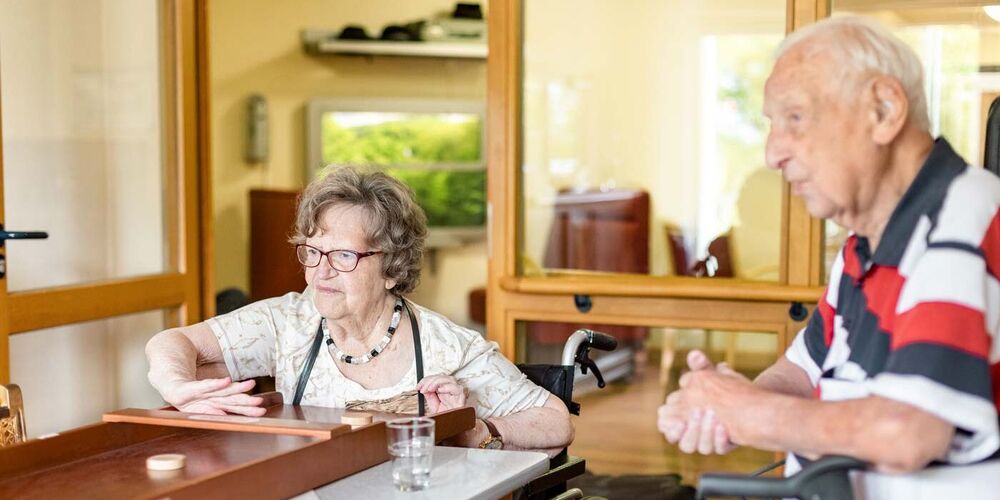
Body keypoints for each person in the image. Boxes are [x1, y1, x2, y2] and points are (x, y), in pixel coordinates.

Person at [658, 15, 999, 475]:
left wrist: (750, 412)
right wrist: (726, 402)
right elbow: (799, 372)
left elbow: (908, 432)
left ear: (883, 110)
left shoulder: (962, 217)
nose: (772, 154)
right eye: (772, 125)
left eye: (795, 118)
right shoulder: (864, 244)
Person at [147, 166, 573, 455]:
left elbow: (556, 421)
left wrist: (480, 431)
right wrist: (176, 384)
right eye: (312, 252)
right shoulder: (287, 322)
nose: (320, 272)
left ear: (391, 266)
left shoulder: (448, 347)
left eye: (344, 256)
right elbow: (174, 342)